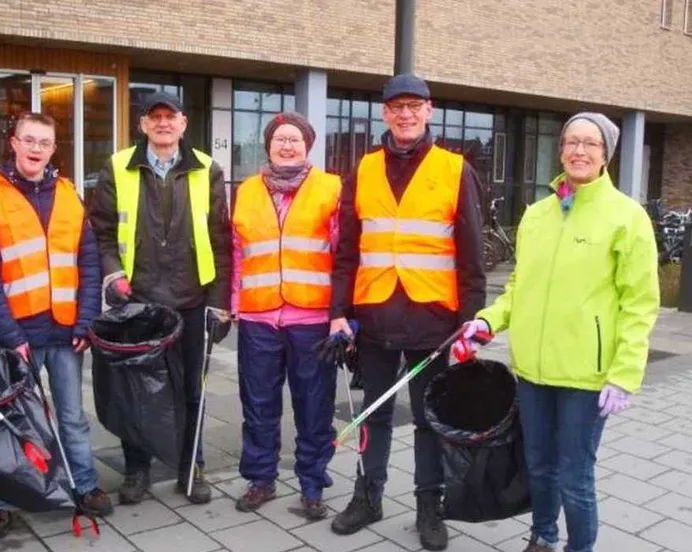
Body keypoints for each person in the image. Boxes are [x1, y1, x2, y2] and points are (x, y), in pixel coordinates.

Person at [454, 112, 660, 552]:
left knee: (574, 476)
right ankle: (543, 537)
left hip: (586, 377)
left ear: (606, 155)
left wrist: (625, 373)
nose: (579, 151)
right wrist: (488, 321)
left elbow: (640, 304)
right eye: (571, 141)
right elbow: (519, 287)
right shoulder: (537, 215)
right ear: (561, 149)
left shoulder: (627, 218)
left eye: (590, 143)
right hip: (533, 370)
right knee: (538, 465)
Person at [328, 73, 486, 551]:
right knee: (373, 413)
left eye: (414, 106)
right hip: (375, 316)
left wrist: (472, 320)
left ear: (429, 111)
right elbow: (347, 250)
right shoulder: (364, 169)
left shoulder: (455, 170)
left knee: (429, 419)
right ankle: (368, 496)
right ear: (385, 113)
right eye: (397, 106)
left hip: (433, 320)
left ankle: (428, 506)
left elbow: (472, 254)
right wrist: (339, 313)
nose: (405, 114)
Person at [0, 112, 113, 538]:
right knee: (9, 419)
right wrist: (7, 333)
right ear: (13, 143)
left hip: (66, 331)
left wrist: (86, 320)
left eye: (44, 142)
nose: (36, 148)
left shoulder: (69, 194)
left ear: (53, 149)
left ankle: (84, 485)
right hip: (16, 334)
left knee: (72, 417)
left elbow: (88, 262)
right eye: (29, 140)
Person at [88, 91, 232, 505]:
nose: (163, 123)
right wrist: (114, 274)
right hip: (138, 302)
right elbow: (101, 233)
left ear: (183, 123)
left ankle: (192, 467)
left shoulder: (208, 169)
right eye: (156, 117)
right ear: (143, 124)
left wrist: (219, 302)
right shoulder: (118, 166)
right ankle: (137, 469)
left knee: (191, 390)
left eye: (171, 117)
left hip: (192, 300)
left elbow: (221, 242)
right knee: (136, 391)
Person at [230, 112, 340, 519]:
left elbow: (343, 254)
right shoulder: (246, 191)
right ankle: (261, 478)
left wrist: (343, 314)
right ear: (269, 145)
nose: (287, 145)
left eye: (295, 139)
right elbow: (237, 251)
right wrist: (233, 302)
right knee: (258, 403)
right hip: (258, 317)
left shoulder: (330, 188)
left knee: (314, 406)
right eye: (280, 139)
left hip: (312, 318)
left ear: (307, 145)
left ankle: (312, 483)